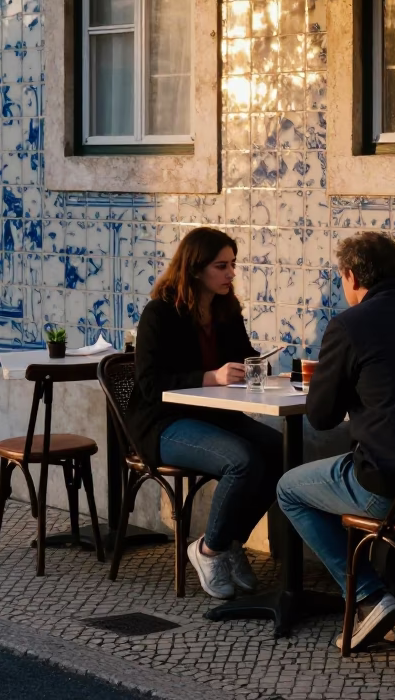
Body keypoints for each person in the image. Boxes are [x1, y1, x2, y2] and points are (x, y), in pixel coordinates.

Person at [276, 231, 395, 651]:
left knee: (289, 489)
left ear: (350, 275)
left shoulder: (350, 325)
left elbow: (322, 417)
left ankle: (368, 597)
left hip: (389, 489)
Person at [127, 227, 283, 601]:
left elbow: (244, 355)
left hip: (215, 416)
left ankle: (229, 543)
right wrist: (210, 377)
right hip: (163, 423)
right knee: (242, 461)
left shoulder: (226, 309)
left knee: (282, 451)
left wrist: (256, 368)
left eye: (233, 264)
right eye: (221, 266)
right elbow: (149, 383)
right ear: (196, 269)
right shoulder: (160, 313)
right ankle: (209, 550)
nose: (231, 273)